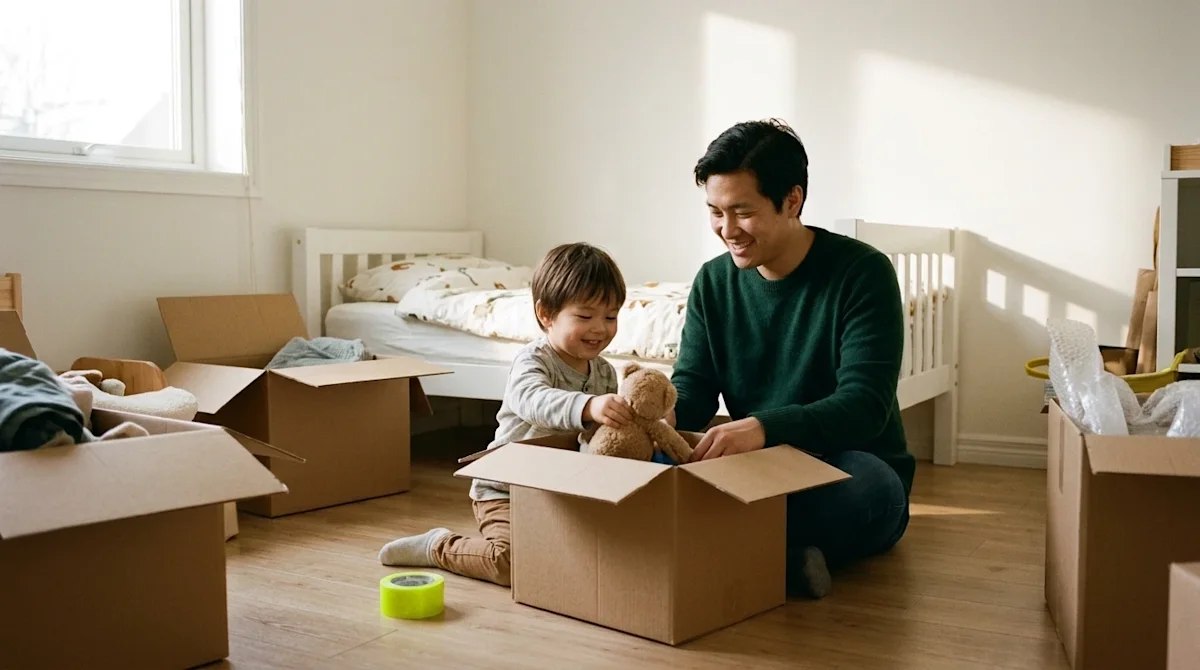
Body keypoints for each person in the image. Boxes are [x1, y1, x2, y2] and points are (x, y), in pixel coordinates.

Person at [668, 119, 913, 600]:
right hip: (758, 472)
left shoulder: (863, 273)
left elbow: (864, 405)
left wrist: (762, 427)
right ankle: (775, 554)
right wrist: (659, 418)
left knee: (872, 487)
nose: (727, 230)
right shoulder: (713, 282)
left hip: (846, 462)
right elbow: (693, 389)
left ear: (792, 201)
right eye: (715, 212)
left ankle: (717, 542)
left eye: (743, 212)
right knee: (663, 467)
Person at [378, 242, 634, 586]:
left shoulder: (604, 372)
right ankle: (438, 546)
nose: (600, 328)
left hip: (558, 493)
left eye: (611, 317)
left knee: (600, 553)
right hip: (504, 491)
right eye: (585, 317)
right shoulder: (534, 361)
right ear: (546, 314)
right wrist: (588, 406)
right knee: (510, 564)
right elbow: (532, 400)